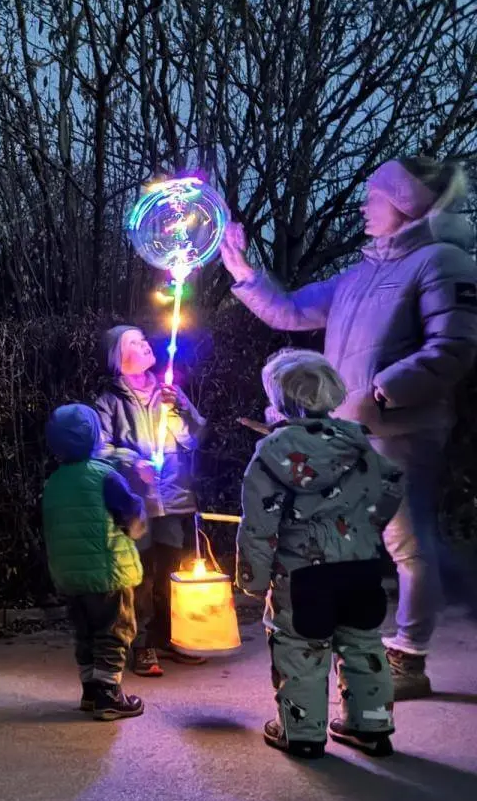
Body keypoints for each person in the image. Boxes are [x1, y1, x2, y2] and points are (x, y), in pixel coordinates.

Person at [221, 156, 477, 700]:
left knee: (407, 543)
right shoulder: (358, 276)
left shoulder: (442, 262)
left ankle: (409, 655)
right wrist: (242, 269)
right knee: (352, 543)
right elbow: (288, 310)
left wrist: (383, 391)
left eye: (373, 196)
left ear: (403, 205)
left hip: (400, 433)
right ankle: (365, 632)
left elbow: (453, 347)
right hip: (348, 436)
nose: (363, 204)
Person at [237, 350, 404, 759]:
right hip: (361, 567)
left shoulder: (273, 452)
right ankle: (371, 727)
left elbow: (259, 524)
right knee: (365, 644)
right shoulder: (358, 440)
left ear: (279, 399)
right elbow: (392, 485)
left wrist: (253, 579)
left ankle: (303, 733)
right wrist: (369, 530)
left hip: (304, 575)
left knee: (300, 649)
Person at [94, 325, 208, 677]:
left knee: (172, 571)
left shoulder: (169, 390)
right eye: (134, 342)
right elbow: (100, 449)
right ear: (117, 356)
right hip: (136, 501)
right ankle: (141, 644)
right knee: (139, 574)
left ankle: (172, 637)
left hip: (173, 497)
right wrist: (133, 462)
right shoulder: (109, 401)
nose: (145, 345)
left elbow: (195, 439)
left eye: (145, 339)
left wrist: (181, 411)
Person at [42, 403, 148, 720]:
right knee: (114, 631)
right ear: (92, 438)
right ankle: (108, 695)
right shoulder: (105, 476)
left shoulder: (54, 483)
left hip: (70, 576)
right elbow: (131, 516)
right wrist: (139, 518)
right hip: (108, 573)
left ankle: (90, 690)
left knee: (85, 632)